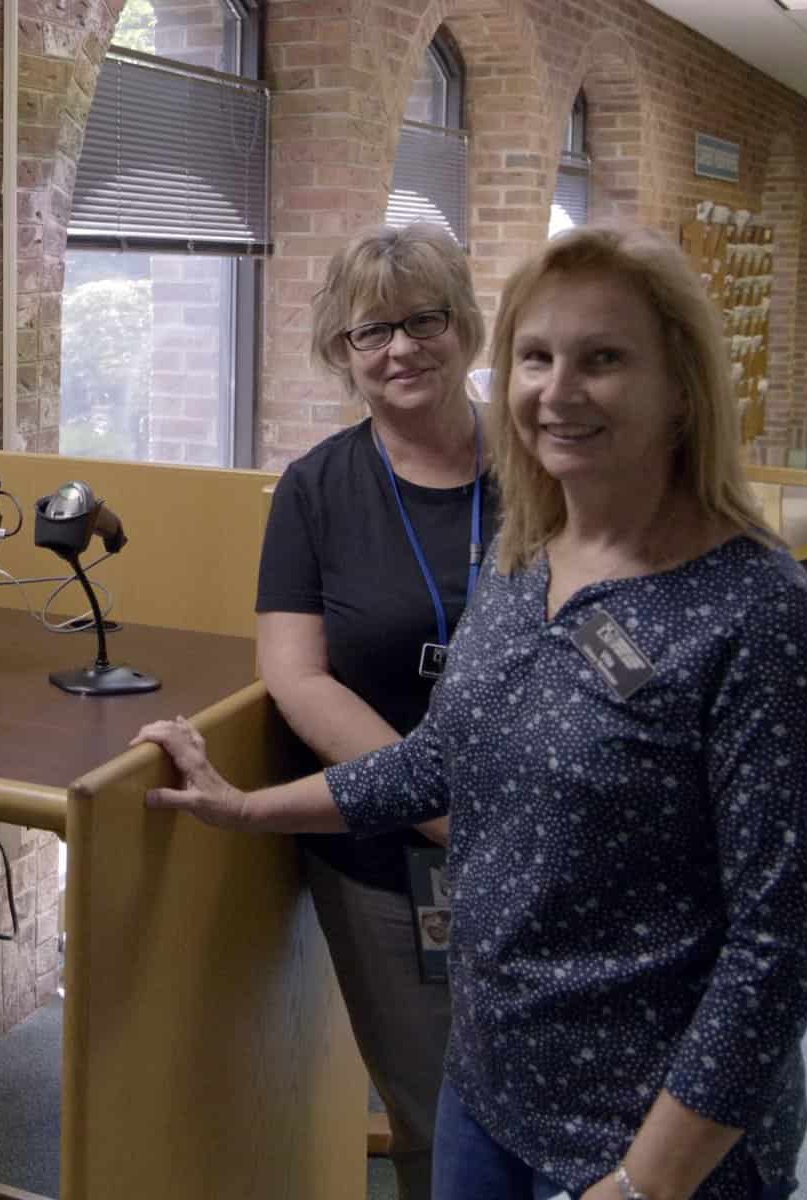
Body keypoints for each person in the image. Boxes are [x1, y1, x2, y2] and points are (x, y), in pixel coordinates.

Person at [135, 225, 807, 1200]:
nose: (557, 392)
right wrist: (247, 808)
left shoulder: (753, 614)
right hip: (489, 1081)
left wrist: (647, 1181)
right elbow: (440, 758)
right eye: (538, 357)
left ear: (680, 385)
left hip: (644, 1127)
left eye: (602, 359)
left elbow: (780, 941)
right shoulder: (526, 552)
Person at [253, 222, 495, 1200]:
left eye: (422, 319)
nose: (398, 348)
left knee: (579, 1090)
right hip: (387, 856)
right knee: (433, 1115)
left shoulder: (548, 467)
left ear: (462, 326)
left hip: (557, 845)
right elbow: (295, 676)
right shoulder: (315, 490)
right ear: (340, 352)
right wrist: (441, 810)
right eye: (370, 332)